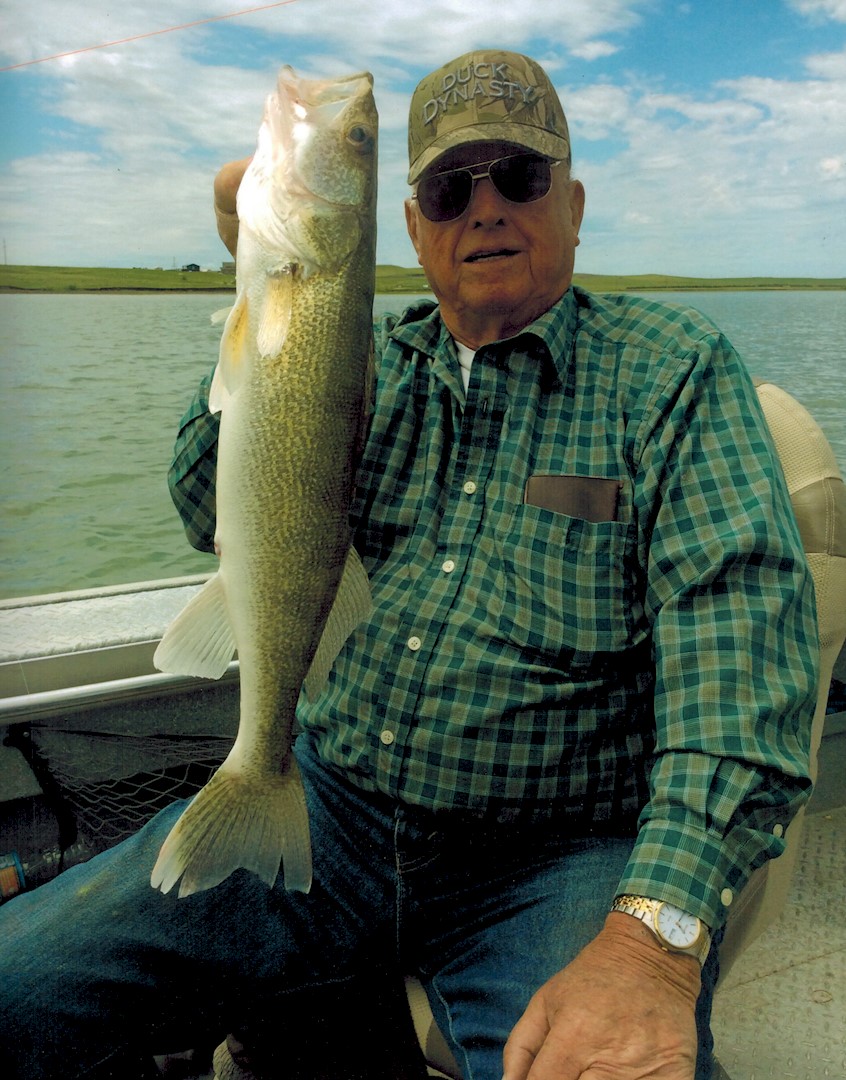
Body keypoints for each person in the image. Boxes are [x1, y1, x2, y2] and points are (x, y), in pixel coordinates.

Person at [0, 49, 818, 1080]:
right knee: (17, 987)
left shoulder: (673, 371)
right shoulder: (363, 358)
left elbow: (740, 673)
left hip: (554, 853)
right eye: (447, 190)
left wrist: (652, 942)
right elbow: (209, 508)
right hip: (328, 801)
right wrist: (254, 306)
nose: (485, 209)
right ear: (413, 226)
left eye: (518, 176)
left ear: (572, 206)